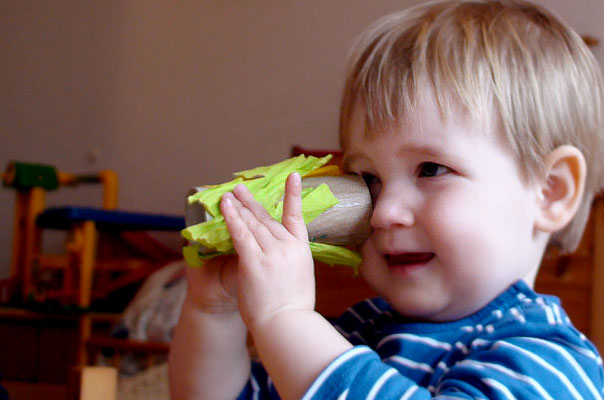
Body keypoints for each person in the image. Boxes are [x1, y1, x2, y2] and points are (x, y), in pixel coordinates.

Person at [168, 0, 604, 398]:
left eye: (431, 170)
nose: (385, 213)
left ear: (550, 192)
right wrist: (213, 312)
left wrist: (285, 318)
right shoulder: (360, 332)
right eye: (369, 178)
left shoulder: (549, 364)